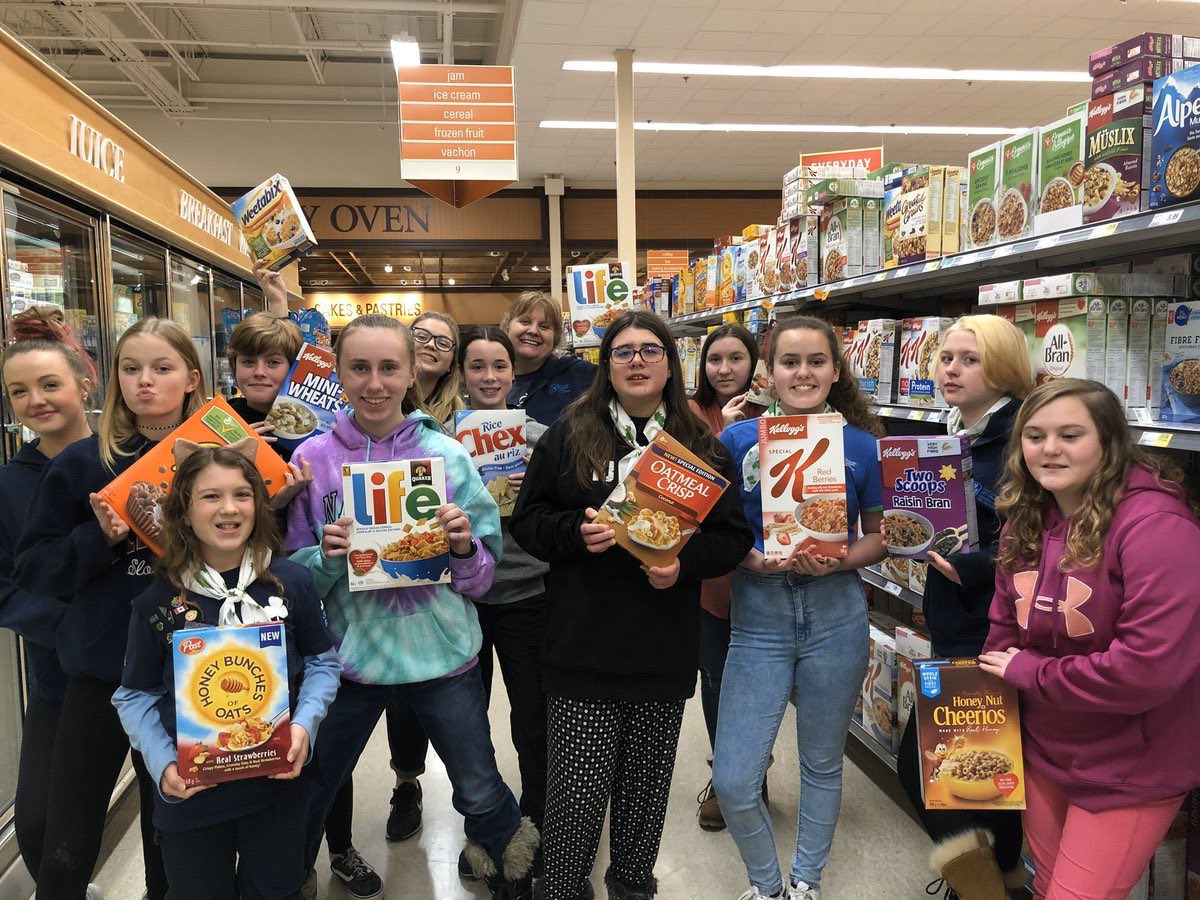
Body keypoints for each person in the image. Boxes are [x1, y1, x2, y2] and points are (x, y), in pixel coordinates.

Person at [285, 315, 538, 900]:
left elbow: (482, 577)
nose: (375, 383)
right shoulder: (313, 458)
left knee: (477, 783)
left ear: (411, 374)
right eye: (359, 368)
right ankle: (285, 877)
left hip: (441, 654)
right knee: (315, 782)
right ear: (338, 373)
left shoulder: (446, 454)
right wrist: (326, 556)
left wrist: (462, 546)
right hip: (349, 659)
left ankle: (509, 867)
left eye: (388, 367)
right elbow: (291, 580)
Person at [512, 310, 752, 900]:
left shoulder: (701, 445)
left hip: (662, 649)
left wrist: (684, 564)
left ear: (670, 365)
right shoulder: (571, 432)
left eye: (650, 350)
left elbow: (733, 537)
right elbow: (528, 520)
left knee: (645, 794)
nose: (637, 360)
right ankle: (563, 889)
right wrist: (575, 533)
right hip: (583, 645)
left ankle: (632, 885)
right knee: (575, 797)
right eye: (623, 351)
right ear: (607, 365)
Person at [980, 379, 1200, 900]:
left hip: (1130, 764)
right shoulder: (1026, 521)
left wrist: (1029, 672)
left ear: (1109, 441)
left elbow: (1145, 671)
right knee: (1047, 885)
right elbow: (1004, 628)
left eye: (1070, 435)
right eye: (1035, 436)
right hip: (1044, 748)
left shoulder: (1159, 528)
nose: (1049, 449)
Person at [15, 316, 208, 899]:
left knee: (172, 828)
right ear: (114, 378)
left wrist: (278, 498)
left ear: (191, 378)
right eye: (131, 368)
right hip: (102, 670)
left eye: (161, 368)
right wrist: (98, 537)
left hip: (188, 670)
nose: (144, 380)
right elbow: (36, 567)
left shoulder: (220, 458)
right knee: (69, 835)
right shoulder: (82, 463)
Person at [112, 447, 342, 900]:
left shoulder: (290, 583)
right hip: (193, 796)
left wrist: (303, 727)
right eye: (211, 496)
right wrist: (163, 764)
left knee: (277, 890)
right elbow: (134, 696)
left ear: (259, 504)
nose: (230, 508)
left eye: (242, 494)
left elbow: (322, 663)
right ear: (183, 511)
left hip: (277, 789)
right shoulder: (158, 602)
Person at [712, 315, 887, 900]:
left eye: (816, 361)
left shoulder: (861, 446)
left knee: (822, 763)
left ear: (836, 371)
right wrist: (748, 557)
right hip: (758, 614)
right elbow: (715, 530)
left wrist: (841, 560)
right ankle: (767, 887)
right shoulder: (737, 442)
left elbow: (879, 536)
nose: (803, 373)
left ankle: (805, 882)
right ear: (769, 372)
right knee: (734, 779)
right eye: (790, 362)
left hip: (837, 612)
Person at [224, 307, 380, 899]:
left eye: (275, 362)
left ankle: (336, 848)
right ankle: (266, 860)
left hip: (305, 598)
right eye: (249, 361)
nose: (261, 372)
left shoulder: (323, 435)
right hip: (230, 604)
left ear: (296, 371)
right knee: (245, 726)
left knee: (319, 736)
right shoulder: (216, 426)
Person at [893, 315, 1032, 898]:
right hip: (956, 618)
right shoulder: (957, 432)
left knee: (932, 771)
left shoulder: (1021, 439)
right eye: (946, 357)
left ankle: (988, 887)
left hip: (991, 626)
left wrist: (971, 568)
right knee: (984, 773)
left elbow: (1042, 539)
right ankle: (999, 881)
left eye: (969, 359)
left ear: (1003, 367)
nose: (950, 369)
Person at [0, 308, 96, 890]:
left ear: (84, 385)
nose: (36, 400)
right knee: (39, 823)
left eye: (49, 383)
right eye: (19, 391)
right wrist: (66, 627)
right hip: (60, 676)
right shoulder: (10, 485)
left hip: (156, 669)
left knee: (168, 821)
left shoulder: (130, 462)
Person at [455, 325, 550, 834]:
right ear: (462, 374)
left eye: (499, 366)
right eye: (477, 366)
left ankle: (539, 817)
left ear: (514, 374)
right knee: (467, 723)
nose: (489, 377)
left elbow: (568, 511)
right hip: (461, 598)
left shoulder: (540, 438)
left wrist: (541, 482)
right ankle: (486, 824)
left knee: (533, 717)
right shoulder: (440, 441)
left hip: (527, 593)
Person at [686, 323, 765, 831]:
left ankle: (754, 775)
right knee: (715, 677)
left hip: (772, 572)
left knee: (761, 682)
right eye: (715, 359)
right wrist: (724, 438)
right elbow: (682, 490)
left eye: (736, 358)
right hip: (714, 575)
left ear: (755, 365)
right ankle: (723, 775)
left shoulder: (779, 415)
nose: (724, 369)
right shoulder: (688, 414)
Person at [502, 290, 596, 427]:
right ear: (507, 328)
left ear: (555, 340)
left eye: (544, 326)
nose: (533, 331)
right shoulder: (488, 377)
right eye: (525, 321)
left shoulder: (582, 375)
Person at [412, 310, 464, 425]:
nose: (430, 345)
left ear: (452, 364)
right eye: (421, 336)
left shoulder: (459, 421)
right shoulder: (382, 399)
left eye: (443, 343)